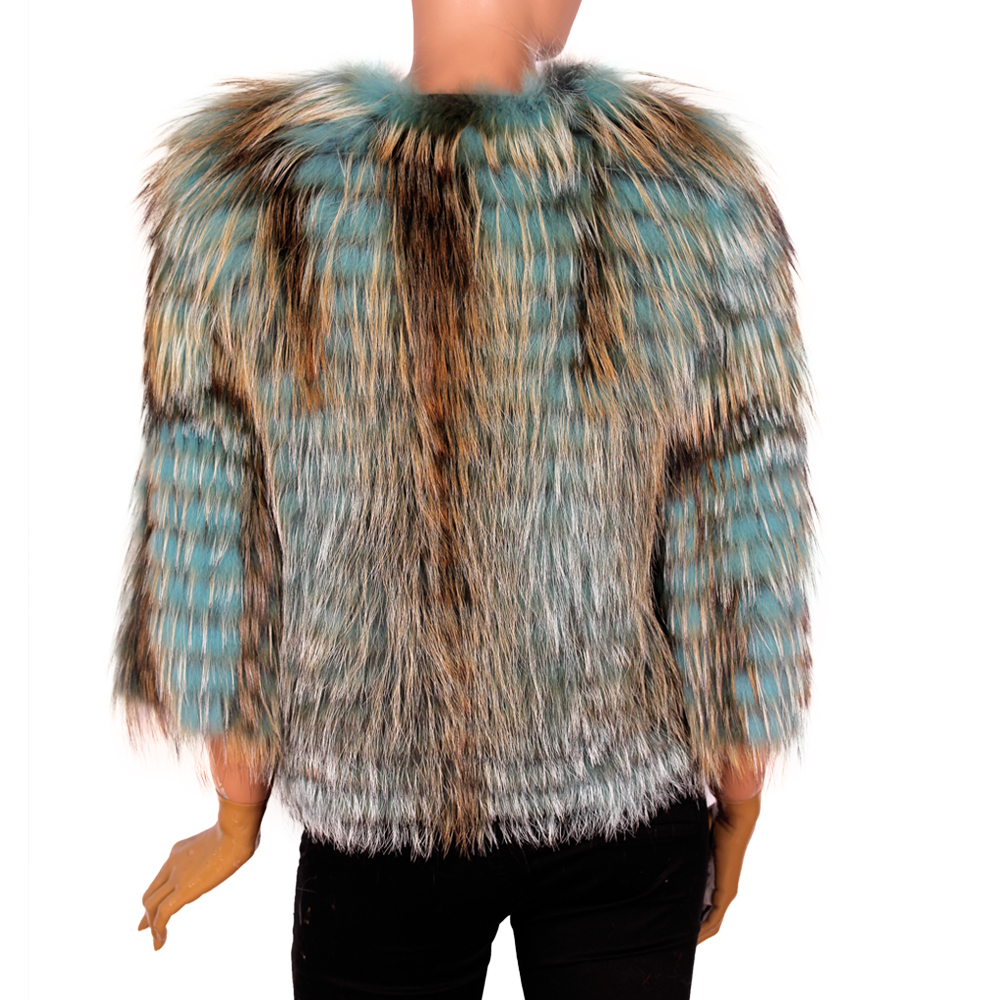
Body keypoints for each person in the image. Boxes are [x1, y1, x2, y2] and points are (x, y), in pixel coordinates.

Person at [113, 1, 814, 996]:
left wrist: (237, 811)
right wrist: (739, 791)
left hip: (371, 813)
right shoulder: (689, 193)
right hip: (621, 800)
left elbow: (212, 540)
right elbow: (740, 529)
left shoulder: (243, 203)